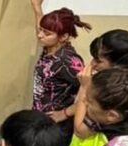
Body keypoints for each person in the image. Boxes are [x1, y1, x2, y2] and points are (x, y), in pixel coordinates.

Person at [30, 0, 91, 137]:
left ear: (63, 37)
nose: (40, 35)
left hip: (56, 128)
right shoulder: (50, 48)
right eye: (41, 30)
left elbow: (90, 92)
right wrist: (37, 8)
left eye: (47, 33)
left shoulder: (68, 61)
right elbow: (42, 30)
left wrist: (64, 113)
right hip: (40, 119)